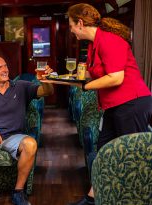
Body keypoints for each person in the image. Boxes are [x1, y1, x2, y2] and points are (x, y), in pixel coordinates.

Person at [63, 3, 152, 205]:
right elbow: (90, 73)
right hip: (115, 106)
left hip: (132, 103)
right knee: (104, 151)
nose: (70, 30)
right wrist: (61, 78)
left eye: (70, 25)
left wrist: (86, 87)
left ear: (80, 23)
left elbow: (116, 78)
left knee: (133, 156)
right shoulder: (95, 44)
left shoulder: (109, 40)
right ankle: (93, 198)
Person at [0, 55, 54, 205]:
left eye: (5, 66)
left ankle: (18, 192)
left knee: (31, 144)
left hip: (14, 136)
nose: (5, 69)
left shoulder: (21, 86)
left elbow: (47, 92)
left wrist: (46, 80)